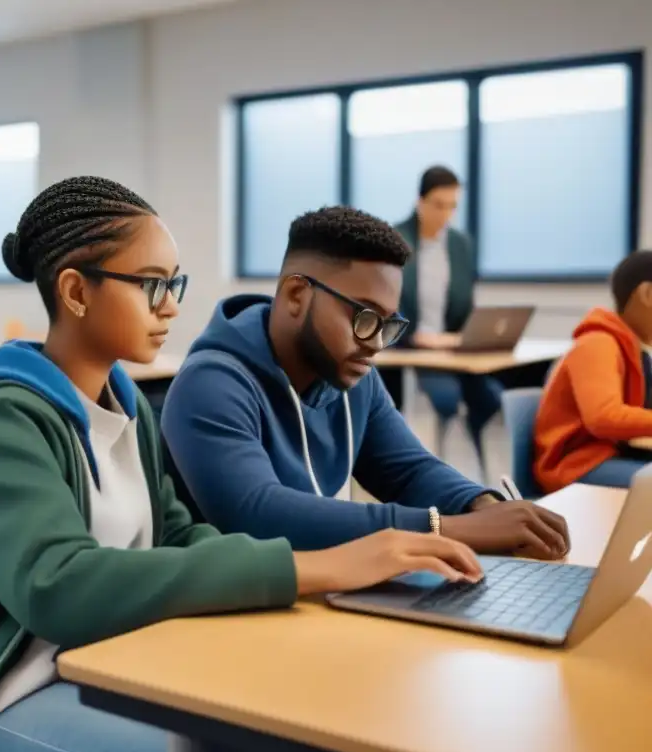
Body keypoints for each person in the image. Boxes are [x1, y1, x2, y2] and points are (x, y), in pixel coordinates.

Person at [0, 177, 484, 752]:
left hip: (119, 652)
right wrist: (310, 567)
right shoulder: (5, 420)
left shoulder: (128, 404)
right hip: (14, 690)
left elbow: (179, 533)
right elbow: (57, 589)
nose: (172, 305)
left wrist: (304, 581)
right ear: (75, 291)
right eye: (153, 285)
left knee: (306, 719)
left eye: (175, 283)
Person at [160, 205, 570, 560]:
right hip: (220, 621)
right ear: (297, 295)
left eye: (387, 324)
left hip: (313, 593)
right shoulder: (211, 383)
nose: (375, 344)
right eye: (364, 318)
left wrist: (482, 506)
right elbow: (258, 514)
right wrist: (444, 528)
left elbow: (409, 470)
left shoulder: (356, 380)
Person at [388, 166, 502, 458]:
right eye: (438, 205)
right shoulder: (395, 240)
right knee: (446, 398)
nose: (446, 214)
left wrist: (470, 336)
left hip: (451, 349)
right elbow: (387, 304)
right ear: (420, 202)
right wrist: (417, 337)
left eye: (452, 206)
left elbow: (466, 303)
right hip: (411, 347)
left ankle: (481, 476)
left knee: (491, 399)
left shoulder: (460, 244)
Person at [534, 250, 652, 491]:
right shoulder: (598, 343)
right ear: (647, 294)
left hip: (615, 453)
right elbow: (604, 417)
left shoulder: (636, 347)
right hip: (579, 464)